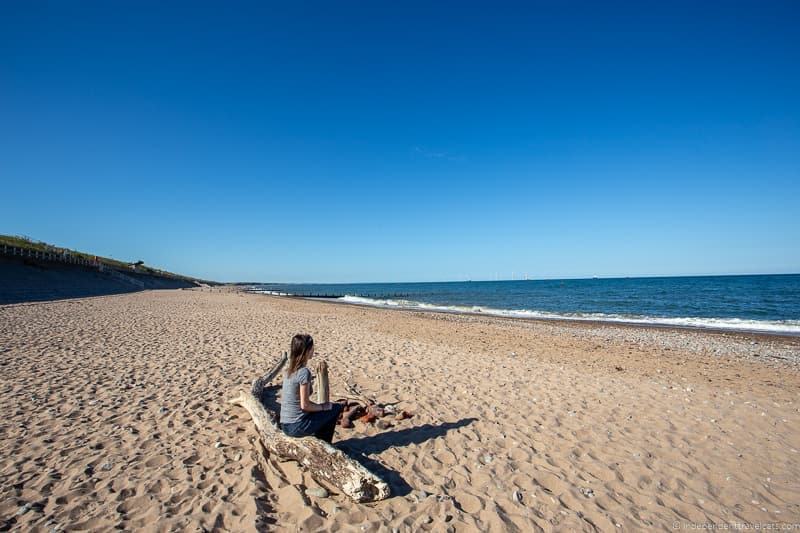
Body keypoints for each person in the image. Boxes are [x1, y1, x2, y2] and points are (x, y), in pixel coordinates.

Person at [280, 334, 344, 443]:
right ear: (306, 351)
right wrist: (324, 407)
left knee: (324, 410)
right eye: (312, 348)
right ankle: (324, 443)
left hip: (285, 424)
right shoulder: (303, 372)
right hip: (296, 426)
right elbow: (305, 405)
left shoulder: (288, 371)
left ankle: (318, 437)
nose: (313, 350)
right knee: (335, 408)